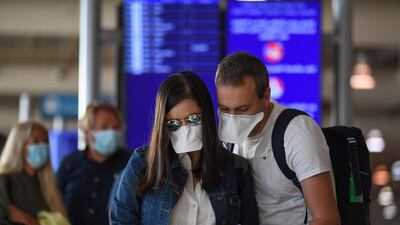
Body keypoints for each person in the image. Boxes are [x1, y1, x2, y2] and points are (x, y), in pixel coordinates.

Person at [110, 71, 259, 225]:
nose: (186, 129)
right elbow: (121, 220)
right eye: (174, 123)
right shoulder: (143, 163)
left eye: (193, 118)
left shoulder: (235, 168)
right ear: (163, 125)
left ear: (206, 114)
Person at [215, 52, 340, 225]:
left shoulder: (296, 133)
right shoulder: (228, 140)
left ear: (266, 96)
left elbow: (327, 219)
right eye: (225, 109)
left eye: (243, 109)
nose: (233, 119)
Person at [56, 102, 131, 225]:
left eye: (116, 127)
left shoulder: (130, 163)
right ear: (87, 132)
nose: (111, 132)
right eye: (104, 127)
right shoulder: (70, 164)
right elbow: (55, 203)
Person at [0, 122, 67, 225]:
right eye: (36, 141)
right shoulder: (6, 181)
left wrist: (28, 220)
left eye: (45, 142)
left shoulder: (49, 187)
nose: (42, 146)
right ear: (20, 145)